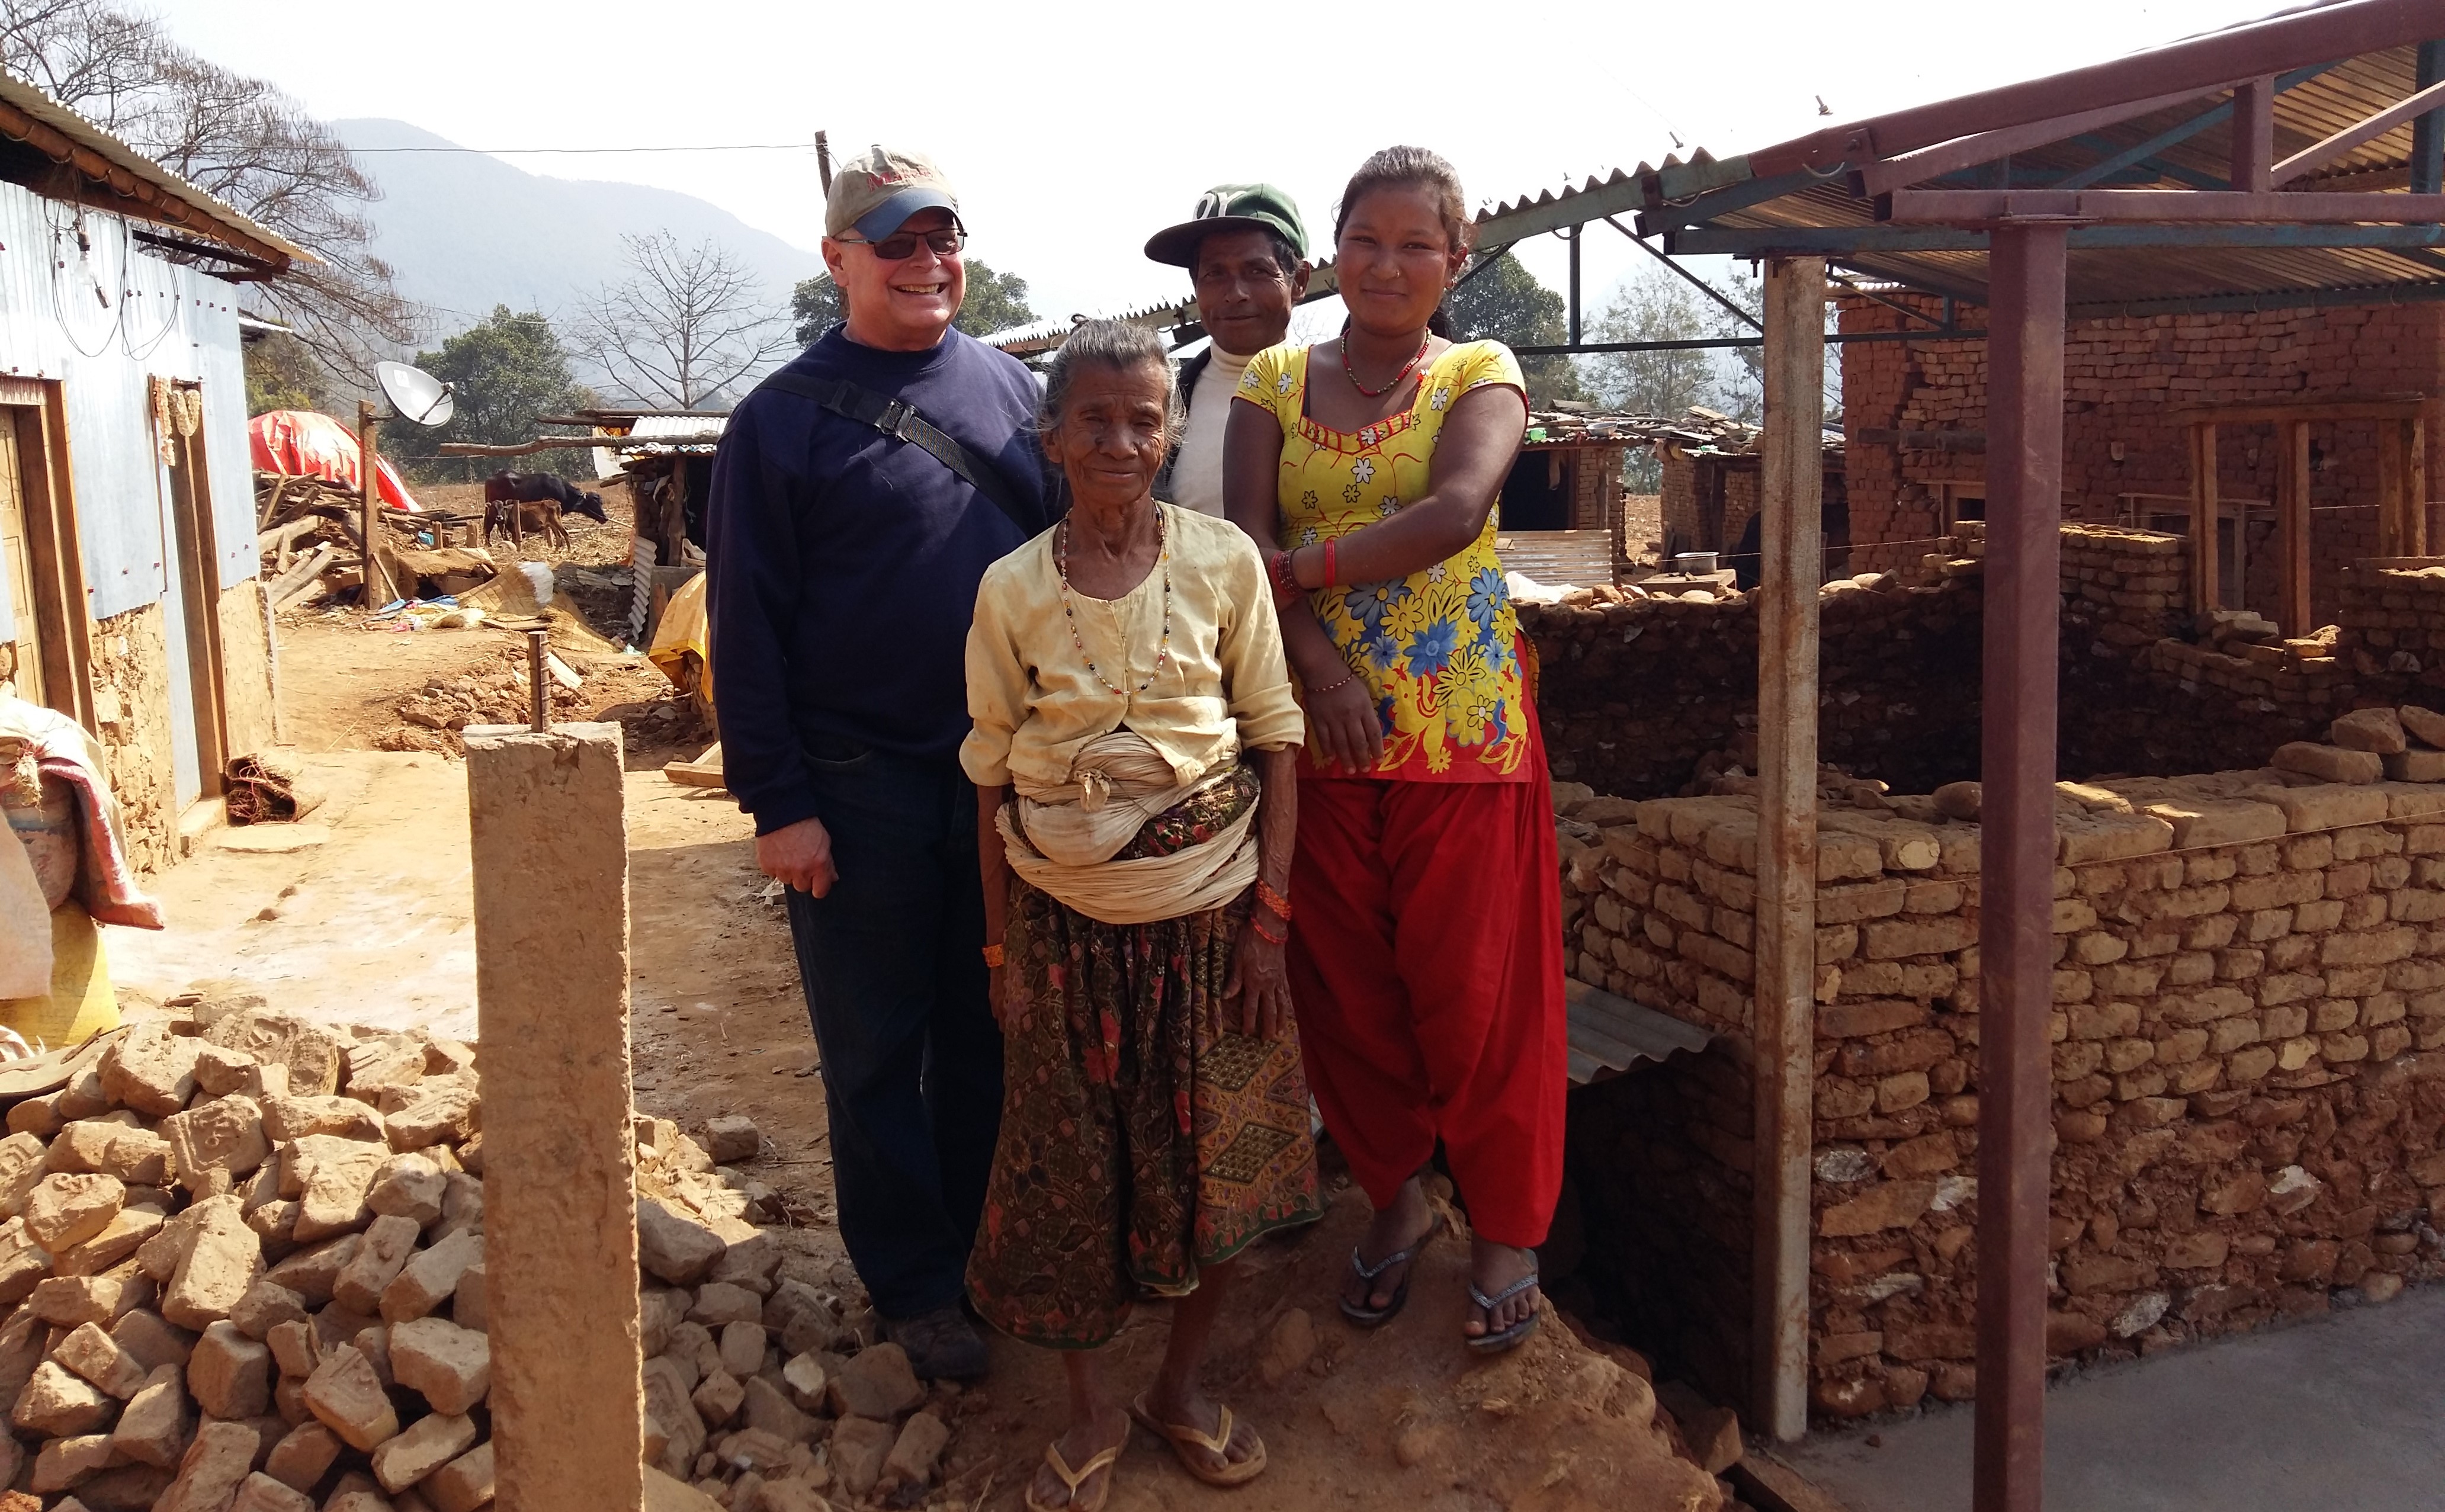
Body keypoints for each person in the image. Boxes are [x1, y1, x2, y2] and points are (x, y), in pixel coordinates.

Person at [705, 145, 1055, 1382]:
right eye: (896, 242)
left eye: (942, 239)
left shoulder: (1016, 394)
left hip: (1004, 789)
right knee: (870, 1048)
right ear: (838, 258)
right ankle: (913, 1282)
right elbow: (741, 625)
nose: (925, 263)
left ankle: (983, 1251)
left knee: (988, 1031)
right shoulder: (782, 421)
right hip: (857, 789)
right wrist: (781, 804)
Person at [962, 320, 1319, 1511]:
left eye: (1145, 418)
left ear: (1170, 432)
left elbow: (1275, 740)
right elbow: (992, 782)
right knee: (1069, 1175)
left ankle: (1178, 1387)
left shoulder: (1222, 563)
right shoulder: (1011, 589)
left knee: (1209, 1172)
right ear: (1053, 435)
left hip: (1213, 927)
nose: (1122, 439)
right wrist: (1005, 950)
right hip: (1064, 930)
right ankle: (1089, 1408)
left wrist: (1270, 923)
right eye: (1096, 419)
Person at [1223, 145, 1566, 1354]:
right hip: (1312, 735)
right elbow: (1242, 539)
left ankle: (1510, 1225)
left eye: (1417, 243)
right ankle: (1397, 1195)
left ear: (1454, 261)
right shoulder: (1272, 379)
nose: (1388, 263)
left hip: (1459, 732)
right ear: (1333, 253)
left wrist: (1301, 569)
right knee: (1350, 995)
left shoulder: (1483, 369)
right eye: (1367, 239)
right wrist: (1317, 669)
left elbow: (1454, 512)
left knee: (1477, 992)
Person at [1143, 185, 1312, 517]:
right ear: (1196, 287)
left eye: (1257, 271)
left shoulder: (1340, 394)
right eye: (1214, 274)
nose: (1235, 293)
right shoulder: (1161, 408)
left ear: (1300, 282)